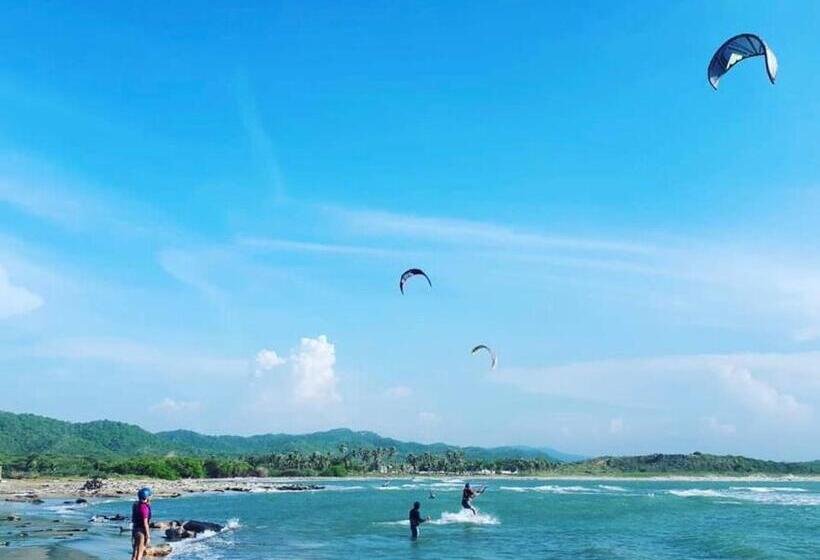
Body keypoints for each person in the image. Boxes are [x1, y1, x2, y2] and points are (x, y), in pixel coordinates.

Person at [131, 487, 152, 560]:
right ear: (146, 497)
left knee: (134, 554)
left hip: (135, 529)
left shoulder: (136, 505)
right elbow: (145, 523)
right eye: (149, 496)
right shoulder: (144, 507)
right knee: (139, 555)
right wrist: (148, 536)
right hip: (141, 532)